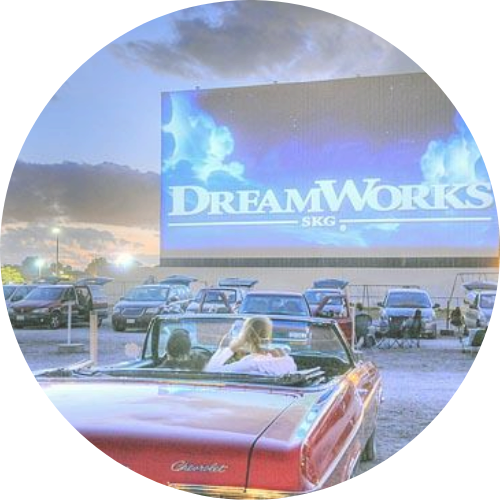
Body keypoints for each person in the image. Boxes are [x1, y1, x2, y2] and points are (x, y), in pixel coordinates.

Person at [204, 316, 297, 375]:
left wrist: (227, 349)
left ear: (246, 337)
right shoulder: (287, 361)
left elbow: (210, 372)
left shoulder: (249, 364)